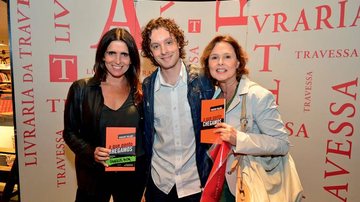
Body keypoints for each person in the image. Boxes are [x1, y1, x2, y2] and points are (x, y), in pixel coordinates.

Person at [200, 35, 303, 202]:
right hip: (218, 184)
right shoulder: (213, 97)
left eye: (227, 57)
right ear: (208, 64)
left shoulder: (258, 95)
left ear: (238, 63)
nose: (220, 62)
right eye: (214, 57)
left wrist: (238, 138)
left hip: (248, 184)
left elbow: (282, 144)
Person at [63, 27, 146, 202]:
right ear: (102, 55)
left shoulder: (141, 92)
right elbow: (69, 132)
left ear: (132, 59)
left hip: (131, 179)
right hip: (93, 177)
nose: (118, 60)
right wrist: (90, 152)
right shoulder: (81, 89)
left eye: (124, 54)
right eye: (111, 53)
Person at [141, 17, 214, 202]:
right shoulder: (148, 87)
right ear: (150, 51)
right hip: (159, 184)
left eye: (169, 42)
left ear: (179, 44)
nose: (164, 51)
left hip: (195, 183)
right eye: (156, 46)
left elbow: (214, 133)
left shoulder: (204, 81)